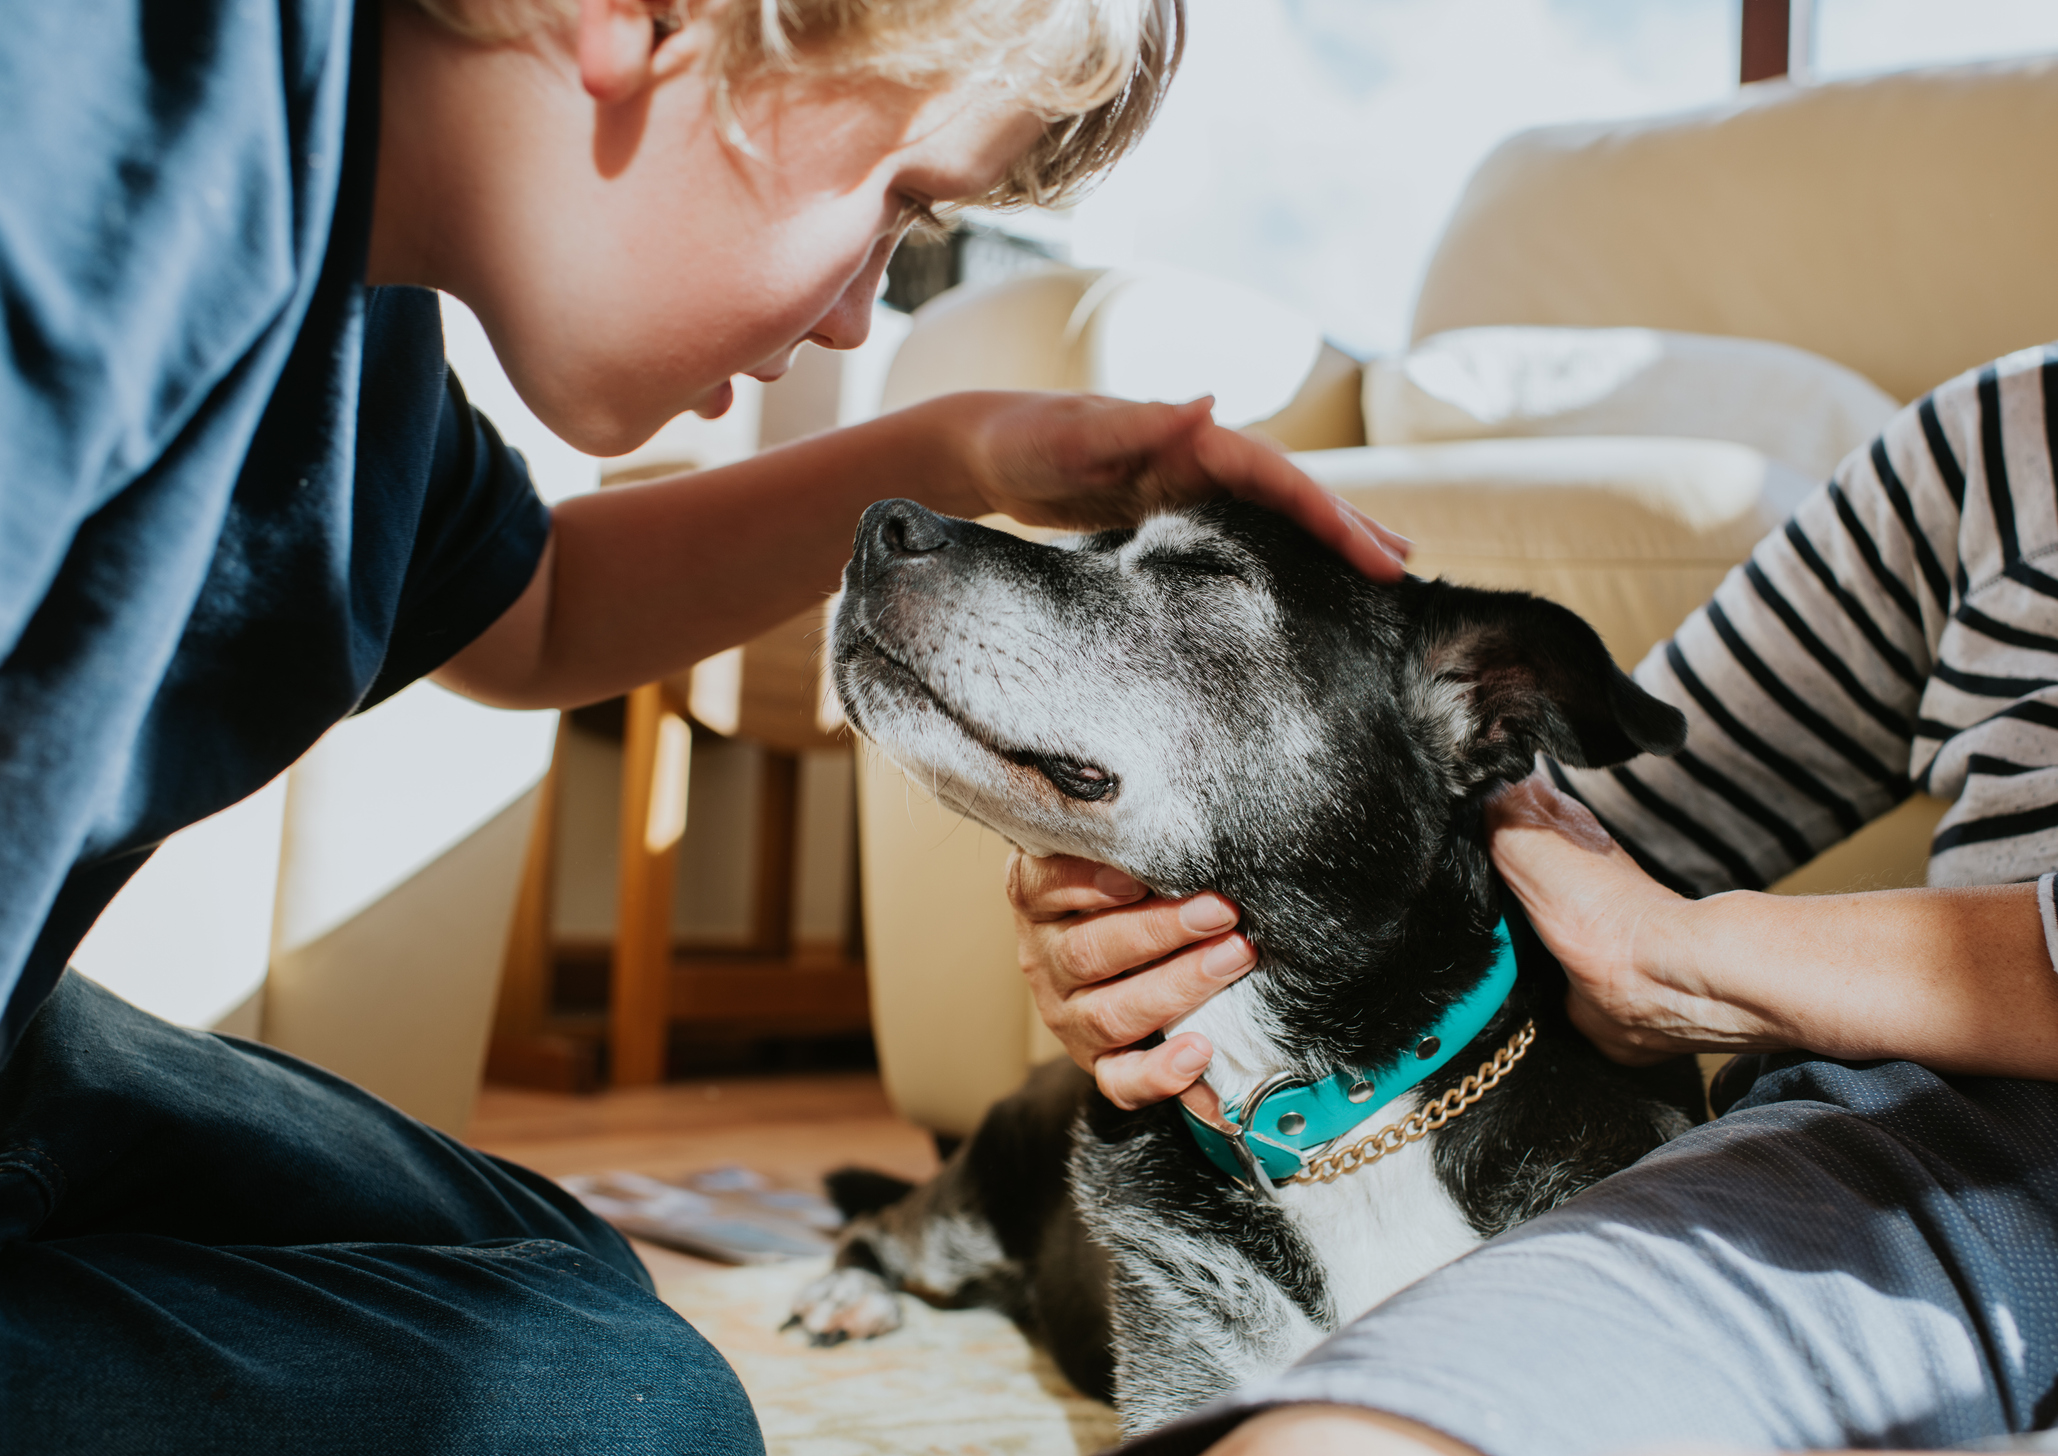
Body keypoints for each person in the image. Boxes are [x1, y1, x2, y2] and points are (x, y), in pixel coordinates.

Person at [0, 1, 1415, 1450]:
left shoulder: (358, 323)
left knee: (540, 1269)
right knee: (617, 1411)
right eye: (896, 205)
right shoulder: (78, 158)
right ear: (642, 18)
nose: (864, 311)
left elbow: (533, 610)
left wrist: (968, 448)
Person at [1015, 345, 2058, 1455]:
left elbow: (1637, 929)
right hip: (1944, 1167)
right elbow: (1574, 815)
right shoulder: (1999, 444)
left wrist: (1686, 953)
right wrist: (1128, 888)